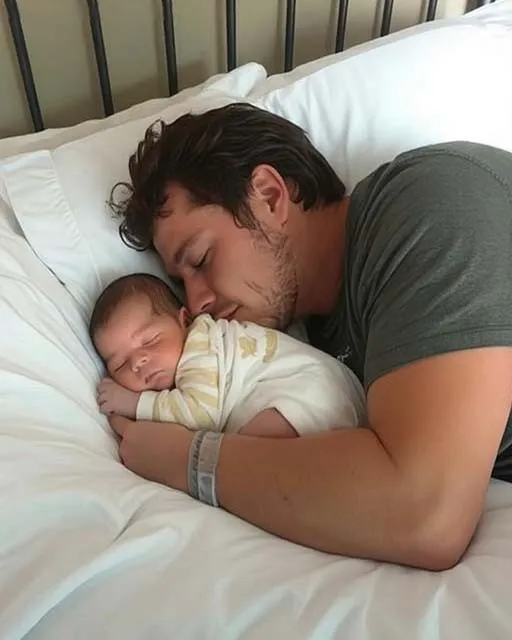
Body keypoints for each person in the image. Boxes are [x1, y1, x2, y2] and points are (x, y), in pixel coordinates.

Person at [107, 102, 512, 571]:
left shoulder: (434, 201)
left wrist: (188, 459)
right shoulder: (307, 340)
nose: (196, 303)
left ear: (269, 196)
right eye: (181, 284)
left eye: (200, 259)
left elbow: (425, 514)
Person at [90, 272, 366, 438]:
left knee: (244, 453)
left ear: (184, 321)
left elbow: (199, 415)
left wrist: (134, 404)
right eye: (120, 364)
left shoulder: (200, 346)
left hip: (309, 393)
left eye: (151, 340)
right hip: (330, 392)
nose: (138, 362)